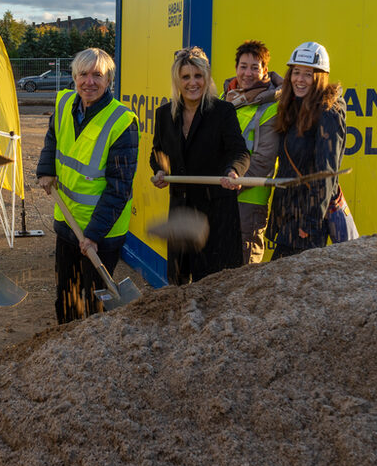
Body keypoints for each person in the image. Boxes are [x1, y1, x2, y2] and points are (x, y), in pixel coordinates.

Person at [36, 48, 138, 324]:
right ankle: (65, 347)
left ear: (109, 81)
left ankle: (93, 357)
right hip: (68, 220)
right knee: (66, 295)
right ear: (74, 77)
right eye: (83, 75)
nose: (89, 82)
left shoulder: (121, 121)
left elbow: (120, 187)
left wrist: (93, 234)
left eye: (97, 75)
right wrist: (46, 170)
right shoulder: (64, 104)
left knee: (95, 300)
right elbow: (53, 138)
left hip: (102, 233)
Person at [151, 46, 249, 285]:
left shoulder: (223, 111)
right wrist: (159, 170)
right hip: (181, 215)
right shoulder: (164, 114)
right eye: (186, 77)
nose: (192, 83)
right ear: (177, 80)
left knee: (217, 286)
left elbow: (240, 151)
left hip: (216, 216)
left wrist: (233, 170)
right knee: (179, 286)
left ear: (207, 78)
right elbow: (157, 153)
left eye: (198, 76)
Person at [265, 41, 346, 259]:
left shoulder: (328, 112)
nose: (300, 80)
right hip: (289, 214)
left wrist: (309, 223)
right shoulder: (292, 106)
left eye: (308, 74)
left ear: (320, 78)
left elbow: (326, 174)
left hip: (305, 223)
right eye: (296, 72)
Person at [224, 40, 281, 264]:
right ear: (236, 68)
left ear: (265, 70)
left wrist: (233, 184)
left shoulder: (272, 107)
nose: (248, 73)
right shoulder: (226, 97)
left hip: (249, 201)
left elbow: (264, 160)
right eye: (243, 66)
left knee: (244, 271)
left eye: (255, 67)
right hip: (223, 193)